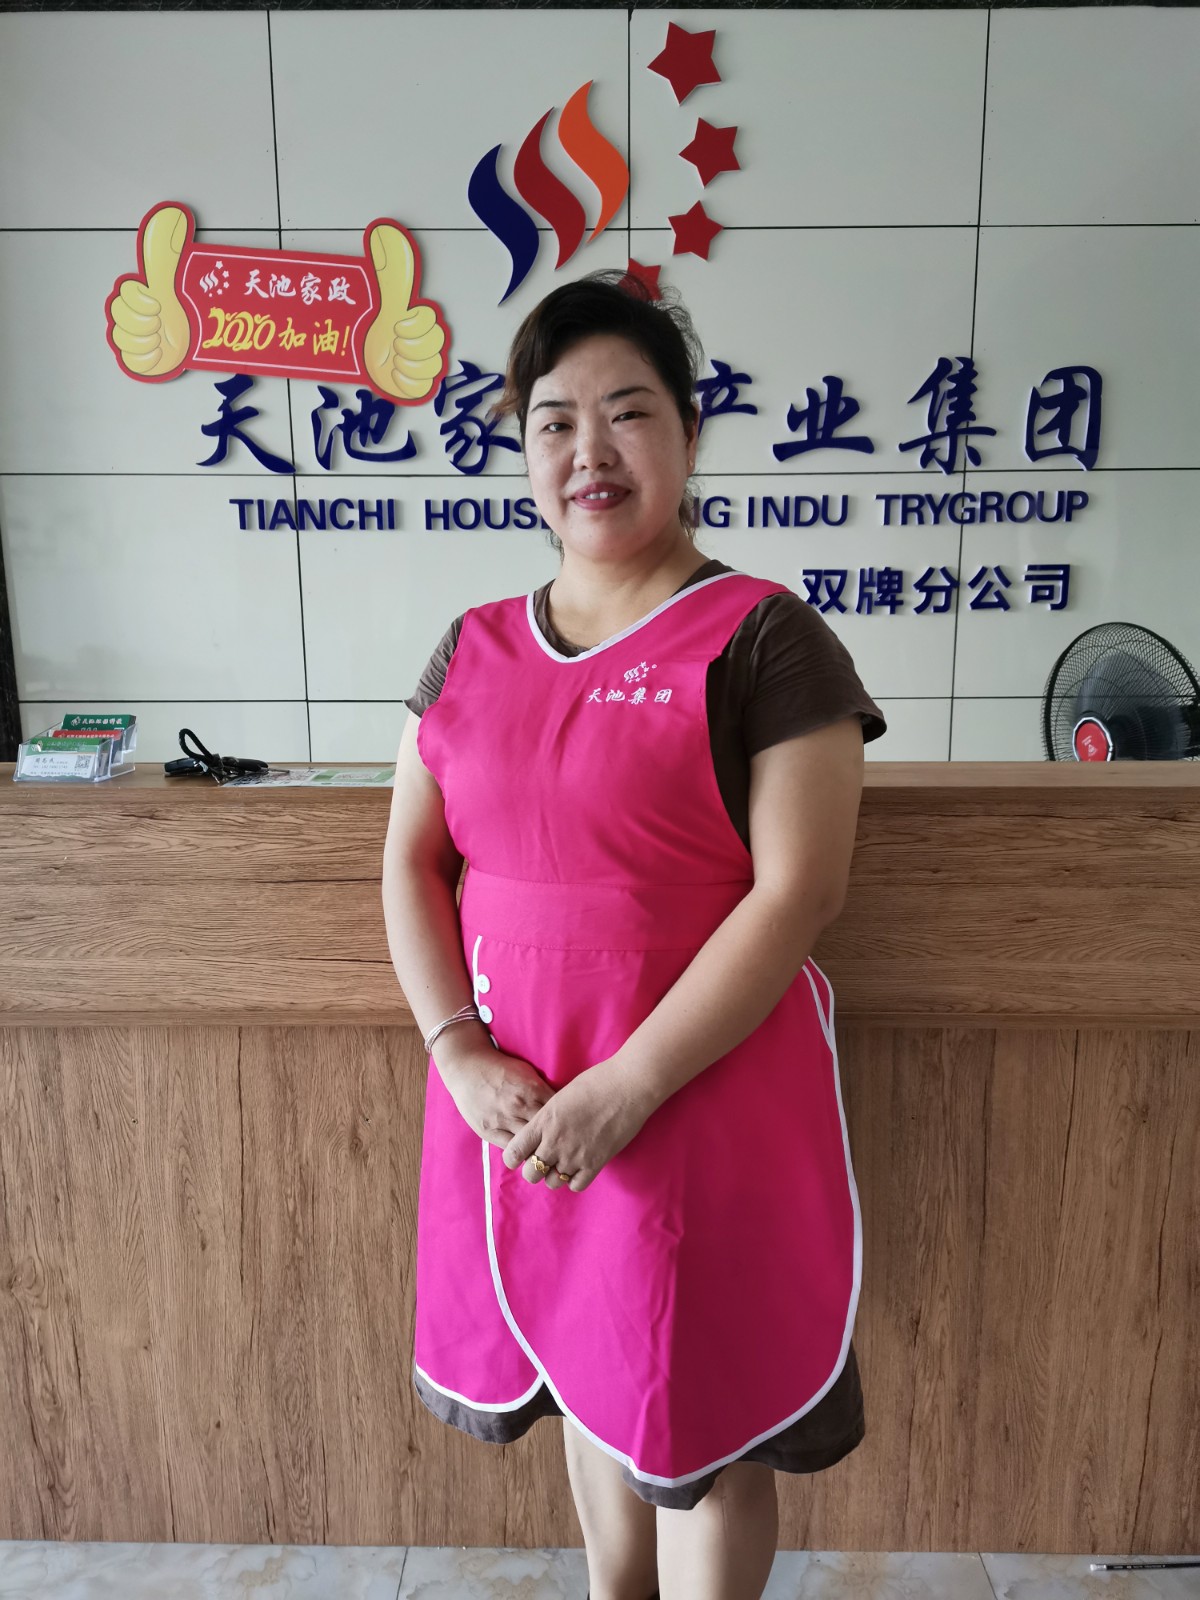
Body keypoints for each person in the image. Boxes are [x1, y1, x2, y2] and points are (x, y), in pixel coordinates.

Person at [382, 270, 887, 1600]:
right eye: (555, 421)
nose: (589, 452)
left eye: (628, 412)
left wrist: (631, 1086)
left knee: (698, 1413)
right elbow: (411, 862)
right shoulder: (468, 650)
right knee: (584, 1365)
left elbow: (800, 892)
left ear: (688, 433)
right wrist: (456, 1049)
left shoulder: (767, 639)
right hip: (517, 1096)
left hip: (695, 1095)